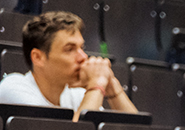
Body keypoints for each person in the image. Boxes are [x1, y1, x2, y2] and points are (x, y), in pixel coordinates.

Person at [0, 11, 137, 121]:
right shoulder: (13, 88)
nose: (83, 57)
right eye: (70, 49)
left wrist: (112, 86)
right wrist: (96, 84)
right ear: (38, 57)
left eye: (82, 48)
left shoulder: (77, 96)